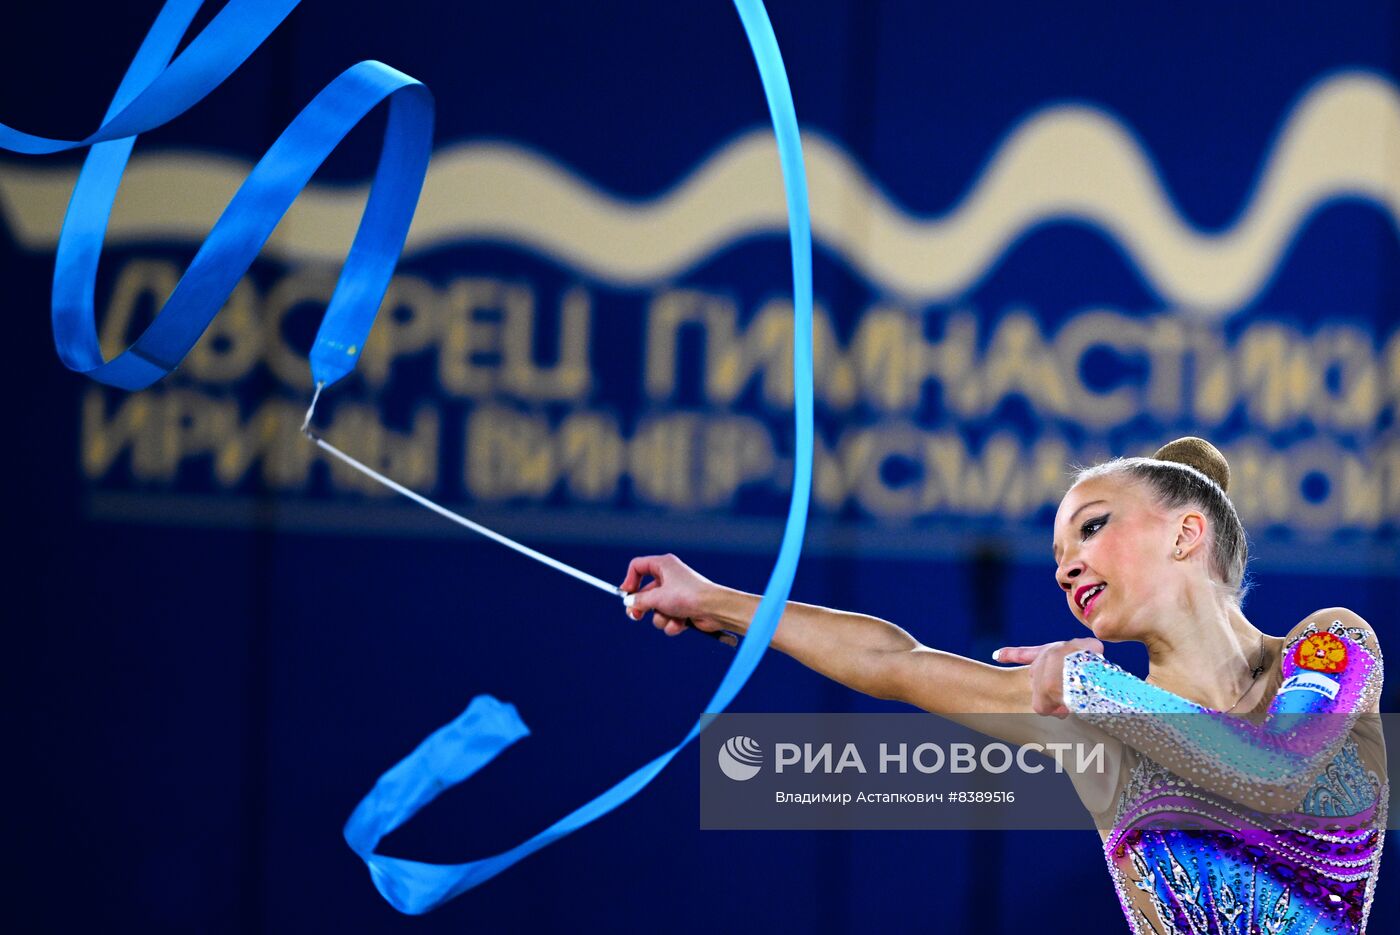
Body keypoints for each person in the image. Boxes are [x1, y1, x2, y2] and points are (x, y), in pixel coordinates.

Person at [620, 437, 1386, 934]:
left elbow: (1275, 770)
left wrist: (1094, 692)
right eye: (1057, 554)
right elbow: (898, 661)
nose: (1065, 566)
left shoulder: (1327, 646)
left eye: (1091, 527)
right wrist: (716, 599)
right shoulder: (1090, 721)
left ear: (1187, 533)